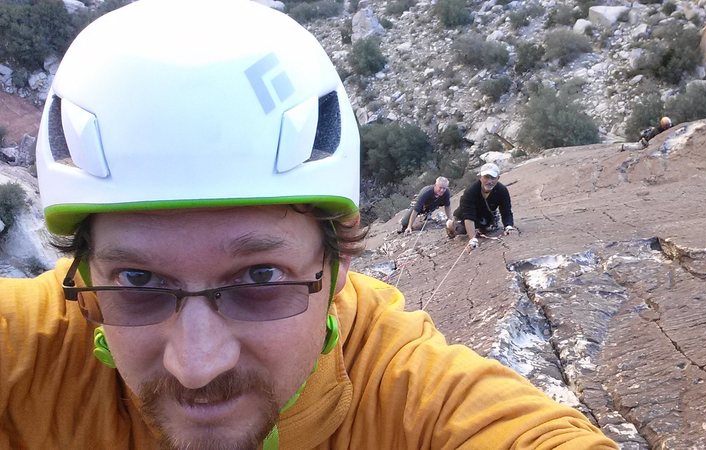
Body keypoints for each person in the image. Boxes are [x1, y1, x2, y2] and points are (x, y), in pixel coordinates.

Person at [0, 1, 618, 449]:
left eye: (260, 276)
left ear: (337, 267)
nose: (197, 364)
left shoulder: (400, 389)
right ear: (81, 278)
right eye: (137, 280)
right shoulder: (31, 350)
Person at [447, 162, 516, 249]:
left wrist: (508, 226)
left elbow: (506, 210)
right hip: (464, 216)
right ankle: (452, 224)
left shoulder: (502, 190)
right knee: (459, 231)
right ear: (480, 177)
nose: (489, 181)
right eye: (486, 177)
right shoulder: (470, 191)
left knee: (488, 230)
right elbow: (468, 217)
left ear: (498, 178)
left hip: (484, 216)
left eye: (493, 178)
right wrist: (472, 239)